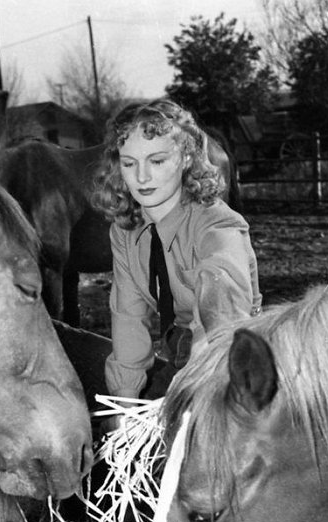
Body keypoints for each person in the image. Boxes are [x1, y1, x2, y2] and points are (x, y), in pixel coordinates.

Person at [93, 98, 262, 403]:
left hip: (231, 355)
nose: (141, 177)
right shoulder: (125, 232)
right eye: (129, 163)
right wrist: (124, 400)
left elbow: (219, 304)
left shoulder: (217, 224)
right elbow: (128, 317)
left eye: (157, 161)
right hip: (180, 348)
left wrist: (189, 388)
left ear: (186, 159)